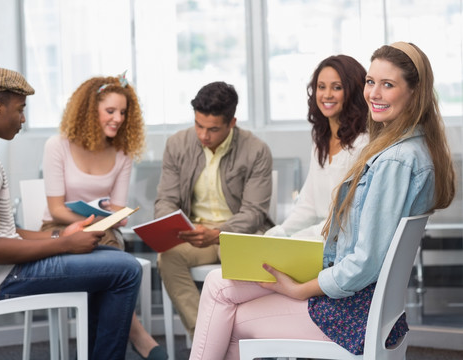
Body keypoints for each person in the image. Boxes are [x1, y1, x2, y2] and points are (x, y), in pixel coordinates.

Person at [188, 42, 455, 360]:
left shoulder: (394, 160)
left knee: (225, 308)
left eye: (388, 84)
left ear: (415, 92)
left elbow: (364, 262)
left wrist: (302, 289)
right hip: (357, 302)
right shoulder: (404, 149)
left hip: (350, 313)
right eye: (371, 82)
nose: (374, 93)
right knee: (221, 286)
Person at [0, 66, 142, 360]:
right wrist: (64, 245)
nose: (23, 118)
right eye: (20, 110)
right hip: (6, 276)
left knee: (114, 262)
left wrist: (61, 234)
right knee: (126, 269)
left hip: (2, 270)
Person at [41, 74, 167, 359]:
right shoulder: (57, 146)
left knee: (106, 243)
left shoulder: (122, 153)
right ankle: (137, 334)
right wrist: (94, 220)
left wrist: (117, 216)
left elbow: (118, 208)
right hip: (59, 227)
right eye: (110, 111)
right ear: (89, 111)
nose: (118, 118)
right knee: (112, 260)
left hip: (104, 229)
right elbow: (57, 208)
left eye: (123, 112)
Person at [155, 81, 274, 339]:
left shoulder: (256, 150)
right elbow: (165, 199)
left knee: (252, 264)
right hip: (195, 234)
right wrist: (172, 226)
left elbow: (254, 212)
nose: (203, 135)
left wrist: (218, 233)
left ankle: (251, 339)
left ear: (232, 122)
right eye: (198, 125)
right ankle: (207, 338)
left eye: (213, 129)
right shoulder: (177, 144)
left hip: (237, 235)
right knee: (168, 258)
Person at [266, 55, 369, 239]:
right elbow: (308, 204)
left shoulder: (363, 143)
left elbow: (347, 217)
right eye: (321, 87)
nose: (327, 94)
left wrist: (298, 238)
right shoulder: (320, 138)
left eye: (337, 87)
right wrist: (281, 231)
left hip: (340, 241)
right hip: (318, 237)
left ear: (352, 92)